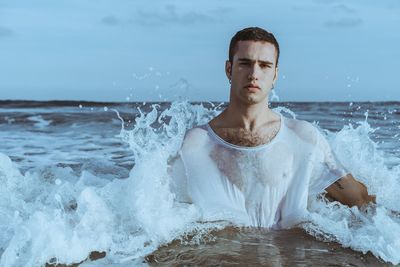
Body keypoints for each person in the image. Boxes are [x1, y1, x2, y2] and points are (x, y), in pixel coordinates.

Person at [170, 27, 376, 229]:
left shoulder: (303, 138)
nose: (254, 74)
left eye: (265, 65)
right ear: (229, 69)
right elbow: (162, 219)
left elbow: (361, 202)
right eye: (245, 63)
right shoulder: (195, 145)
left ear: (275, 74)